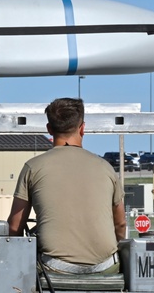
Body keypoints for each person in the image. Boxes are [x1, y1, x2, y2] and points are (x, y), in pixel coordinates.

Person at [7, 97, 126, 274]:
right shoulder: (106, 168)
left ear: (49, 129)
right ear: (82, 128)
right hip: (105, 266)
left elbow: (15, 228)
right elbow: (121, 224)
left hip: (53, 267)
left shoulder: (33, 168)